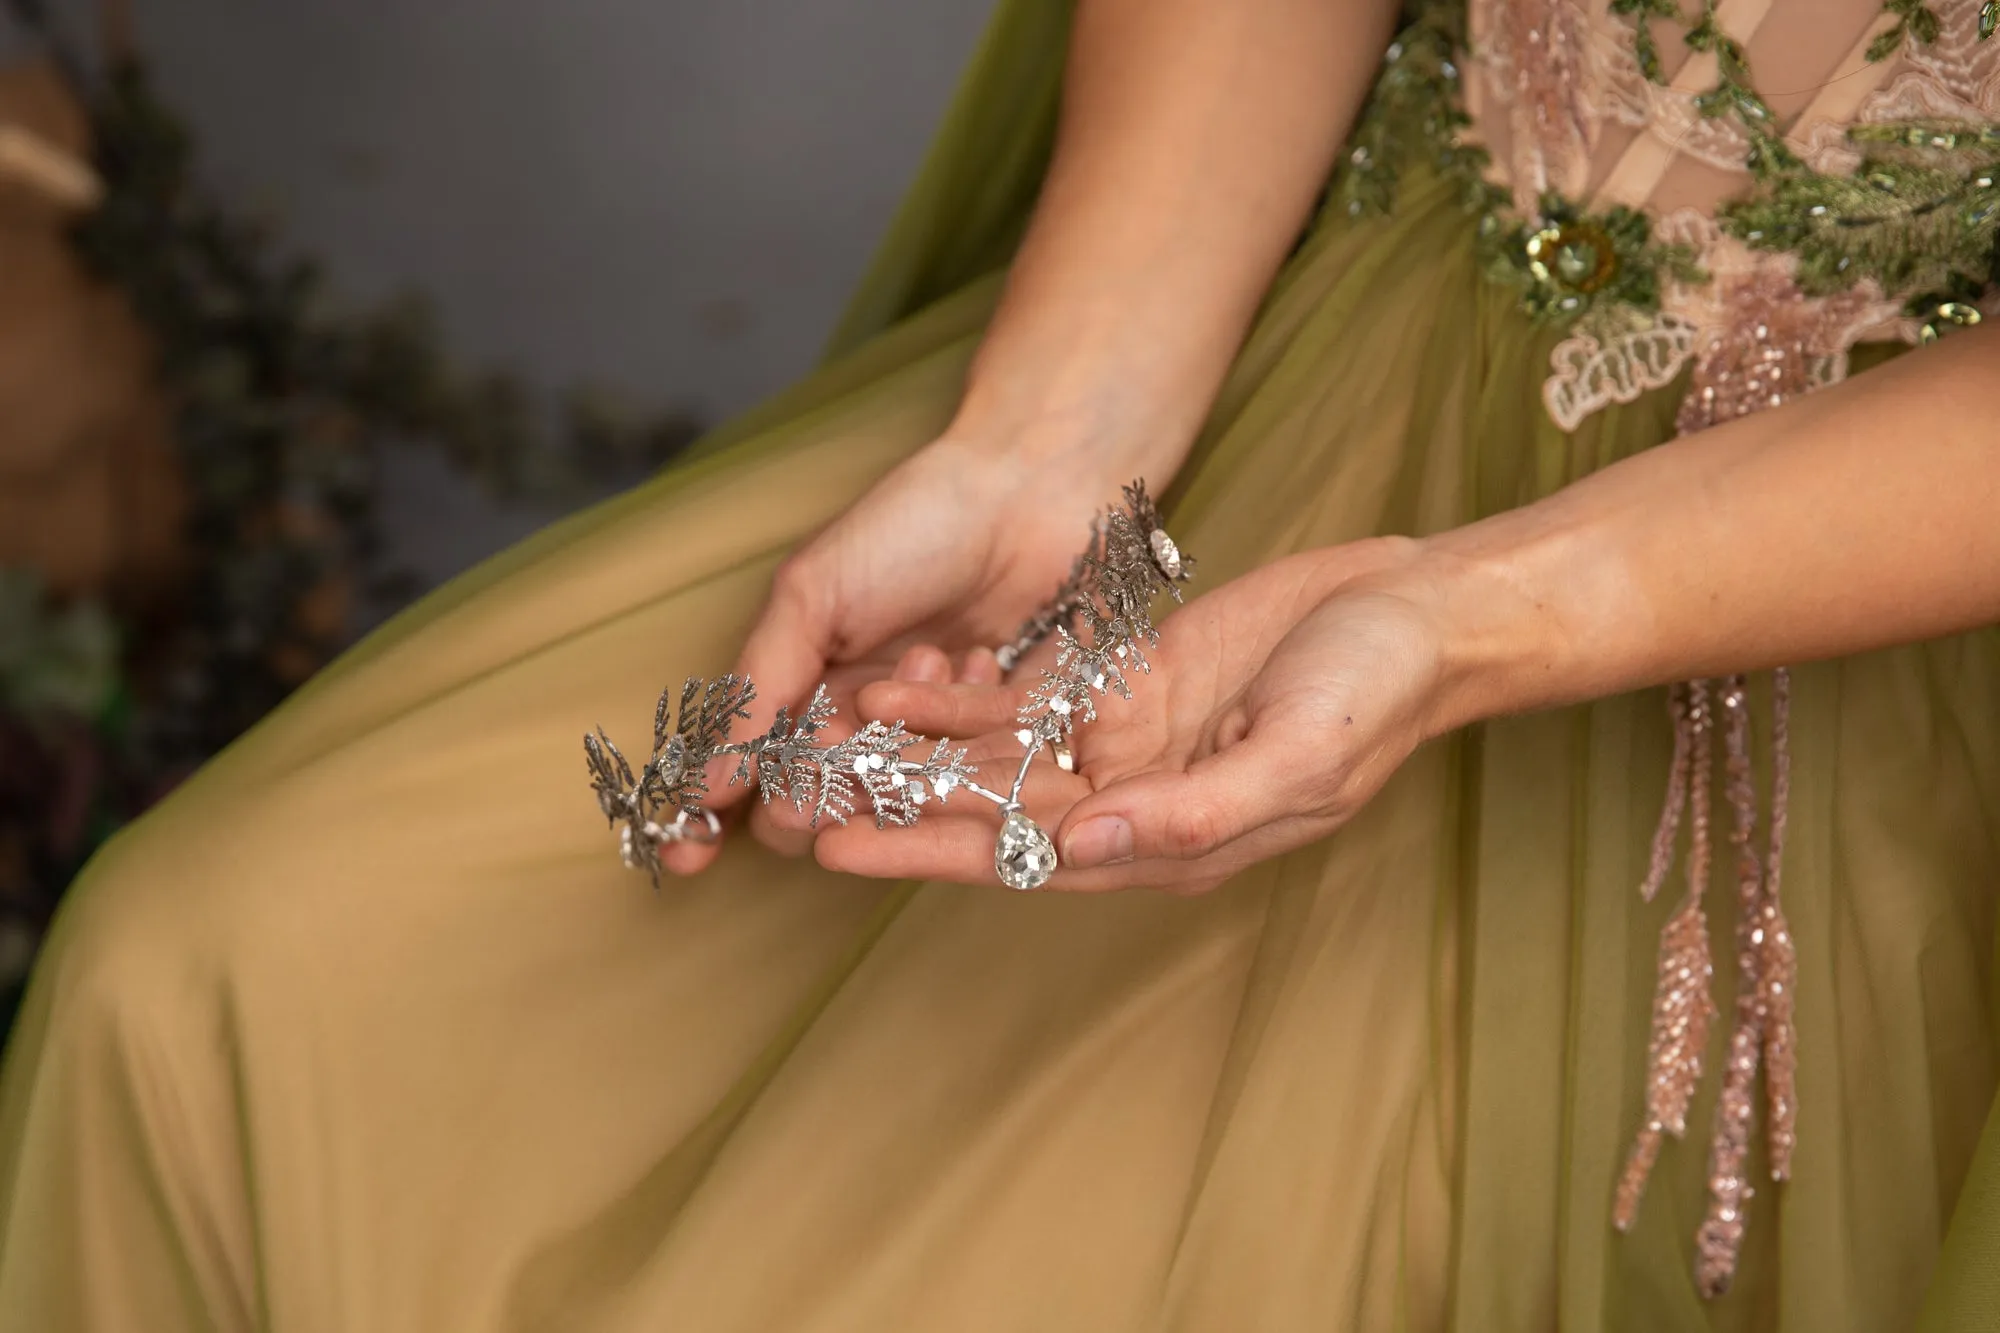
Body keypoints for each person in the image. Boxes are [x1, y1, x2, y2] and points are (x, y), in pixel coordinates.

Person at [1, 0, 1996, 1327]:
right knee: (207, 980)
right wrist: (1056, 439)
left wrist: (1483, 611)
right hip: (1273, 372)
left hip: (1827, 597)